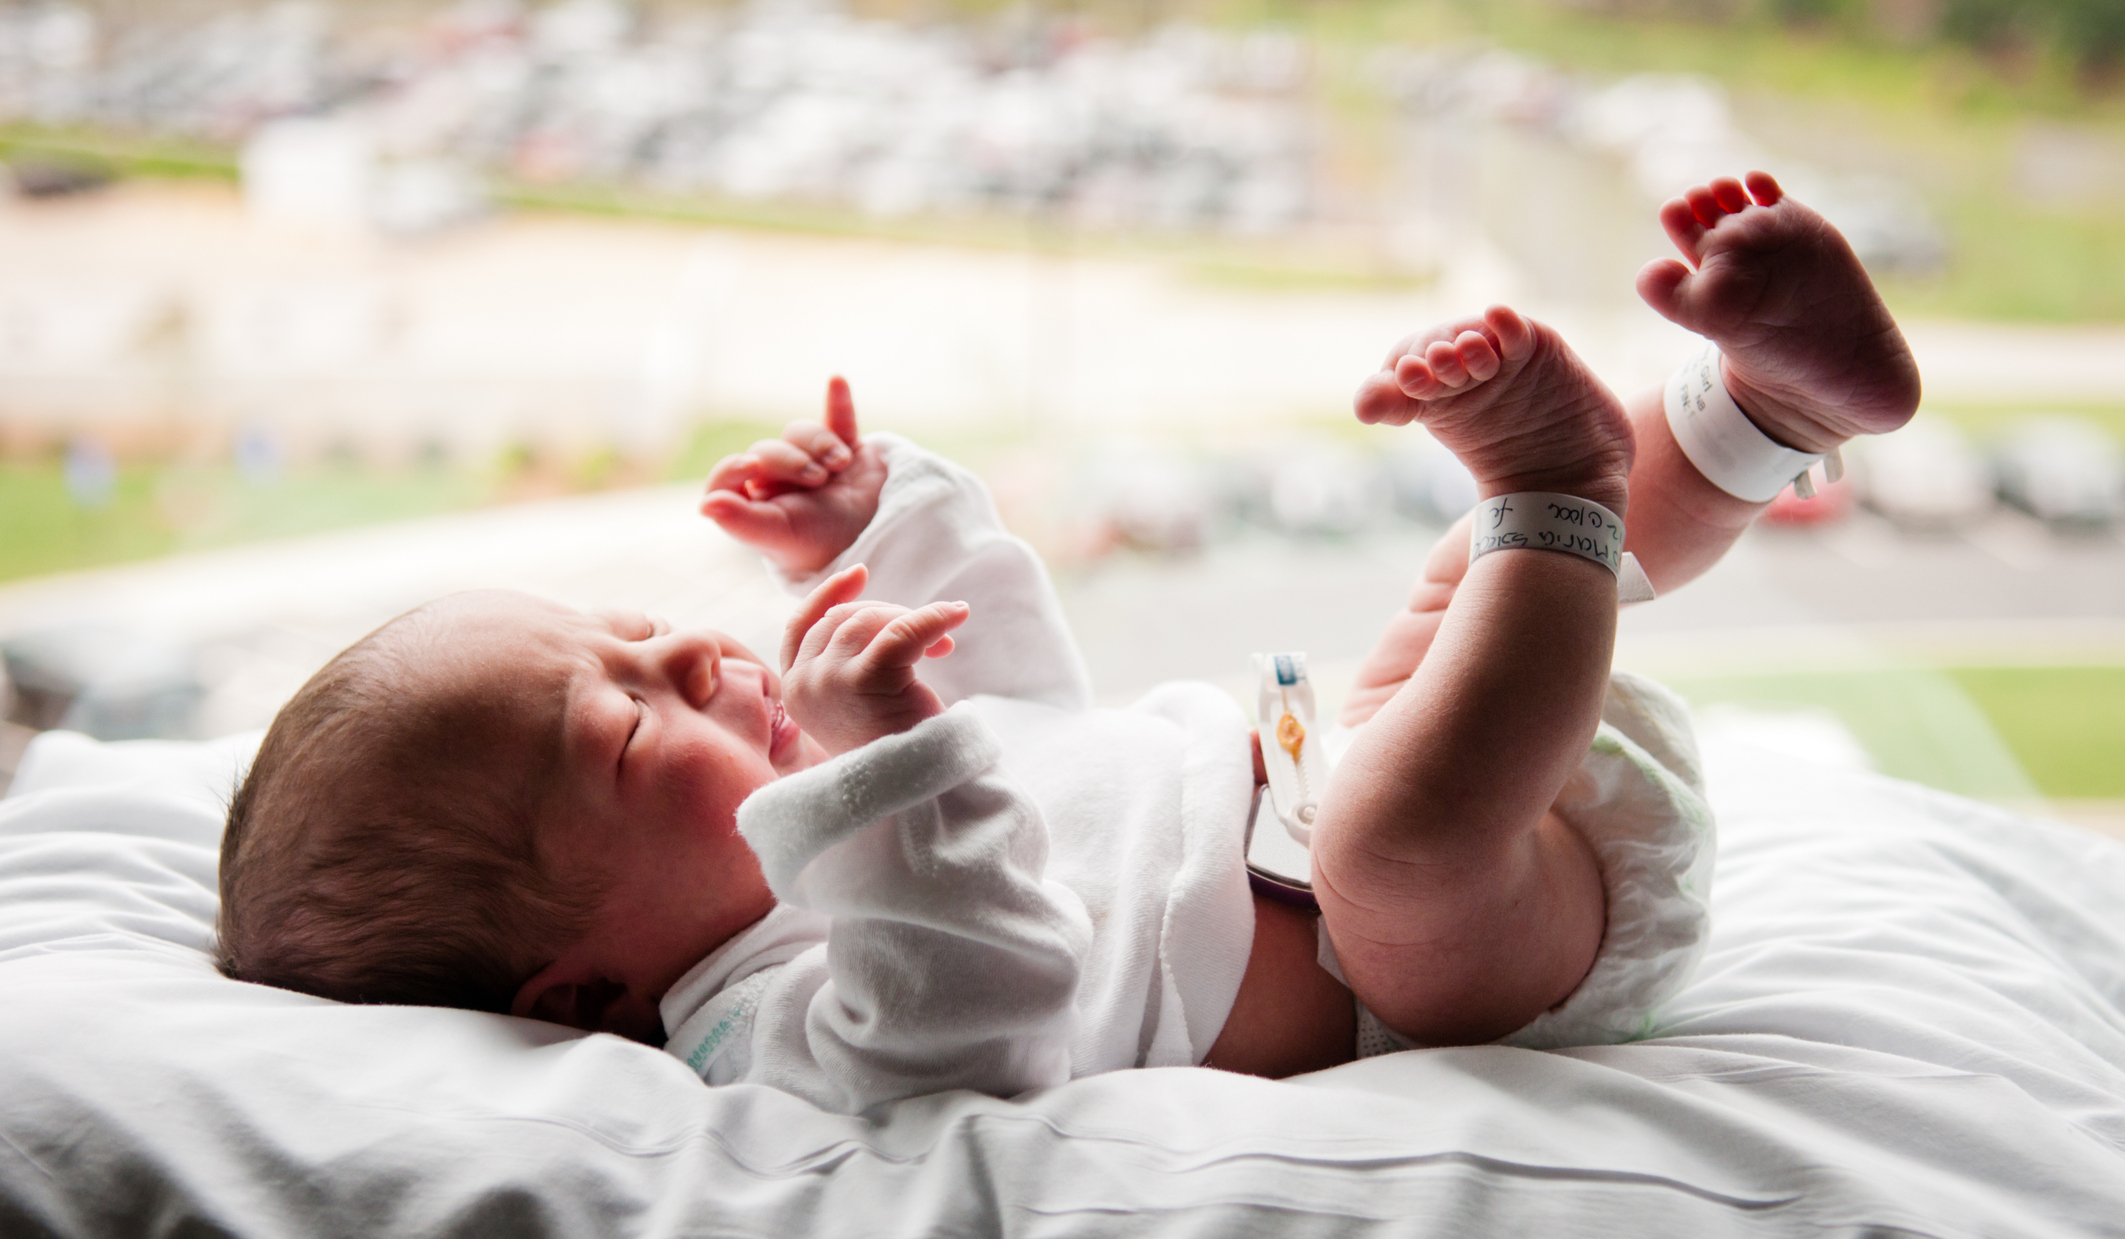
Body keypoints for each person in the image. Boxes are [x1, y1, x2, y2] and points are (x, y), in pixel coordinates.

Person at [215, 172, 1919, 1111]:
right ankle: (1567, 477)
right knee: (1414, 824)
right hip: (1441, 967)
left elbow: (1020, 678)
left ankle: (1753, 412)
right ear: (581, 983)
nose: (691, 663)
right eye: (629, 730)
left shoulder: (841, 782)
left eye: (641, 638)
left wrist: (888, 523)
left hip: (1342, 766)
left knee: (1454, 605)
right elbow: (978, 1012)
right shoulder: (755, 1028)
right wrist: (881, 778)